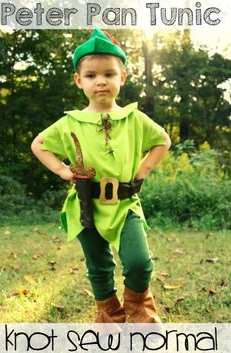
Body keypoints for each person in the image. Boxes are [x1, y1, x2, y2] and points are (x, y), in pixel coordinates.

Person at [31, 29, 171, 323]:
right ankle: (109, 316)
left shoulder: (134, 119)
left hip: (123, 204)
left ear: (122, 77)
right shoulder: (70, 122)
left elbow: (163, 140)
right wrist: (61, 169)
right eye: (92, 75)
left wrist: (142, 169)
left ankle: (140, 309)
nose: (101, 81)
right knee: (99, 266)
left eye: (109, 73)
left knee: (139, 262)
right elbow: (39, 144)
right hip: (86, 207)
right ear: (79, 81)